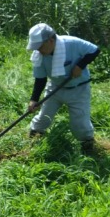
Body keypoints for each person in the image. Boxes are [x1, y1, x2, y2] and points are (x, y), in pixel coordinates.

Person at [26, 23, 101, 153]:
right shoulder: (39, 56)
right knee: (44, 116)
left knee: (80, 122)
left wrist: (80, 66)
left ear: (50, 41)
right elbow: (40, 79)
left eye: (40, 46)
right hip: (55, 88)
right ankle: (35, 137)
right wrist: (34, 99)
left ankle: (87, 145)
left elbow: (95, 50)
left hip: (78, 90)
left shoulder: (72, 43)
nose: (38, 50)